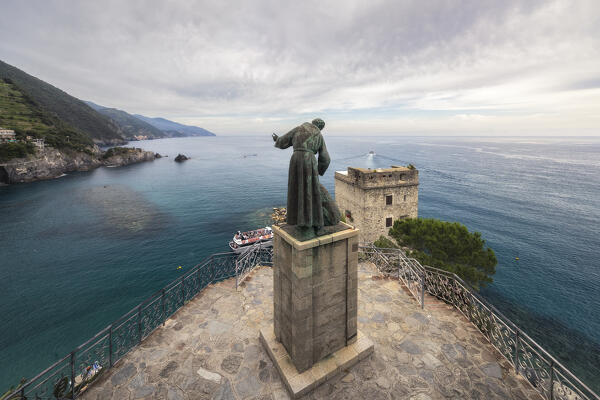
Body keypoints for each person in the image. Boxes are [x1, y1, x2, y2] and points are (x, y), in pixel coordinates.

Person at [272, 118, 340, 238]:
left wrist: (277, 139)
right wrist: (318, 171)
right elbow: (326, 158)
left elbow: (283, 141)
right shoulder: (318, 135)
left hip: (296, 160)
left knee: (296, 189)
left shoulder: (298, 129)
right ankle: (313, 223)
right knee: (311, 192)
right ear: (320, 127)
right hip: (309, 162)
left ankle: (298, 221)